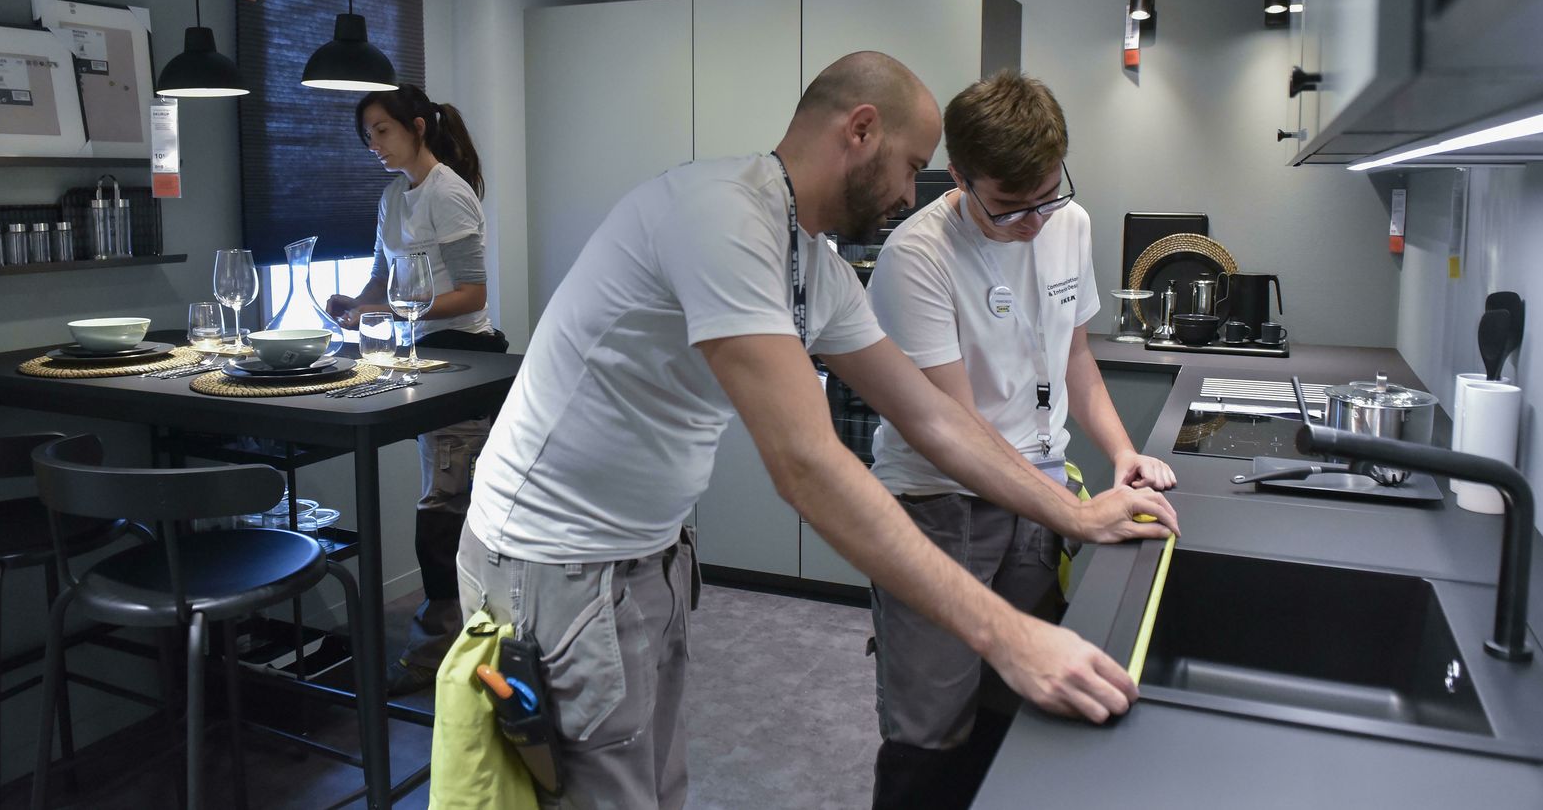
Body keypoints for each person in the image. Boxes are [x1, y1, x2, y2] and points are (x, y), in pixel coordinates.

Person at [459, 52, 1178, 809]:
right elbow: (807, 463)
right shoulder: (721, 216)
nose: (911, 193)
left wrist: (1075, 514)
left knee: (654, 790)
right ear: (860, 130)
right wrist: (1009, 634)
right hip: (553, 558)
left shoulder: (812, 267)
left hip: (649, 551)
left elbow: (933, 416)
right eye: (912, 166)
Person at [863, 69, 1179, 808]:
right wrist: (1075, 513)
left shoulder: (1071, 223)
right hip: (939, 505)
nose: (1035, 221)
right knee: (932, 724)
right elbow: (954, 428)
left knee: (1022, 705)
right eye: (1009, 207)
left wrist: (1122, 452)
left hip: (1036, 493)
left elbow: (1076, 358)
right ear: (960, 177)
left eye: (1048, 196)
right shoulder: (918, 257)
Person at [326, 83, 509, 695]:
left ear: (418, 127)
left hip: (462, 358)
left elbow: (472, 294)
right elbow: (383, 276)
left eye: (382, 130)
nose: (374, 145)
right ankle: (454, 639)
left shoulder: (449, 193)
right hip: (420, 357)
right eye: (368, 136)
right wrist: (356, 304)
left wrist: (395, 310)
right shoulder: (392, 196)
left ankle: (440, 647)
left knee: (443, 510)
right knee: (441, 501)